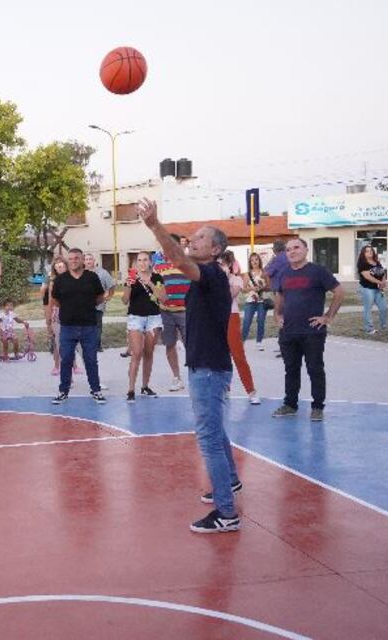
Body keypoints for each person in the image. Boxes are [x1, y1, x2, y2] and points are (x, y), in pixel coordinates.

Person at [138, 199, 241, 534]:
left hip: (208, 368)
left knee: (208, 438)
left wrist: (154, 225)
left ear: (215, 250)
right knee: (216, 431)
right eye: (192, 237)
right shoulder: (207, 278)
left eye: (200, 238)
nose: (192, 241)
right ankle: (231, 481)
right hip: (208, 365)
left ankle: (227, 513)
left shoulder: (209, 273)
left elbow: (178, 259)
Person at [272, 239, 345, 422]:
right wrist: (277, 315)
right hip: (288, 331)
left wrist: (328, 316)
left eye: (296, 247)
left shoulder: (318, 271)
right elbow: (279, 294)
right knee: (291, 369)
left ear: (306, 249)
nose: (292, 251)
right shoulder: (283, 272)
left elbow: (339, 292)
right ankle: (290, 405)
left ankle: (317, 407)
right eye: (288, 249)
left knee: (315, 369)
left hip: (312, 332)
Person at [50, 248, 106, 405]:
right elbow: (55, 300)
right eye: (71, 258)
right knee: (66, 359)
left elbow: (100, 296)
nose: (73, 261)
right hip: (68, 326)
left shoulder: (92, 277)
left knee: (91, 360)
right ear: (68, 260)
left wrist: (87, 306)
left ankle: (96, 390)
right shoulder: (61, 280)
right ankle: (63, 391)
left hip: (89, 326)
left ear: (82, 260)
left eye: (77, 258)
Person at [121, 251, 167, 402]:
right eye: (139, 260)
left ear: (150, 262)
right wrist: (128, 286)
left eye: (145, 260)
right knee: (136, 352)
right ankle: (130, 389)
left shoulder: (157, 278)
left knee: (148, 352)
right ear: (136, 263)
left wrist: (151, 284)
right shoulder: (131, 278)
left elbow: (163, 298)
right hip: (135, 318)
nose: (142, 263)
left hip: (153, 318)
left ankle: (145, 386)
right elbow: (124, 301)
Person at [218, 252, 260, 405]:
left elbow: (229, 296)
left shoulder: (236, 279)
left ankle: (251, 391)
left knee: (238, 355)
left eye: (223, 264)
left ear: (230, 265)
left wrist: (224, 279)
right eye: (218, 264)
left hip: (231, 316)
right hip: (215, 318)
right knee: (220, 355)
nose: (220, 267)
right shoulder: (211, 280)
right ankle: (225, 388)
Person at [154, 239, 191, 391]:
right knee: (170, 345)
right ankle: (177, 378)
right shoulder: (158, 266)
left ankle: (195, 376)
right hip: (165, 312)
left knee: (191, 345)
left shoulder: (186, 263)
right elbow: (155, 288)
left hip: (185, 311)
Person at [42, 258, 71, 376]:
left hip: (71, 314)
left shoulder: (72, 279)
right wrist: (48, 319)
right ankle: (57, 365)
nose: (59, 266)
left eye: (61, 264)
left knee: (70, 343)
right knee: (57, 342)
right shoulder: (53, 282)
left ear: (66, 266)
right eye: (57, 265)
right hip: (57, 314)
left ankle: (70, 367)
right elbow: (50, 301)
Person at [84, 253, 116, 352]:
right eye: (86, 259)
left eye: (90, 259)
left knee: (97, 326)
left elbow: (111, 285)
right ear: (84, 261)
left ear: (94, 261)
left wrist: (109, 296)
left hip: (98, 305)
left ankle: (97, 346)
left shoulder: (102, 273)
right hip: (83, 306)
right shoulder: (81, 273)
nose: (88, 261)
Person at [241, 253, 271, 348]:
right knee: (246, 322)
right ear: (250, 262)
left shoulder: (264, 273)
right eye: (252, 260)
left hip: (262, 301)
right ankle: (242, 341)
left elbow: (269, 287)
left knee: (261, 321)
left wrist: (262, 287)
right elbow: (243, 289)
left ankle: (259, 342)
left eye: (256, 259)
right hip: (250, 301)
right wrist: (252, 288)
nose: (254, 262)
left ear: (259, 261)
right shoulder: (247, 274)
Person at [356, 245, 388, 334]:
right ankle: (369, 329)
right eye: (367, 251)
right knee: (368, 309)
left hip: (378, 289)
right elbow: (368, 276)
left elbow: (382, 272)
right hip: (367, 289)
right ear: (363, 253)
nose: (370, 252)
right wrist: (380, 282)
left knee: (384, 307)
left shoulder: (376, 262)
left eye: (371, 251)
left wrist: (383, 282)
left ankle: (384, 327)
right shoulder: (362, 264)